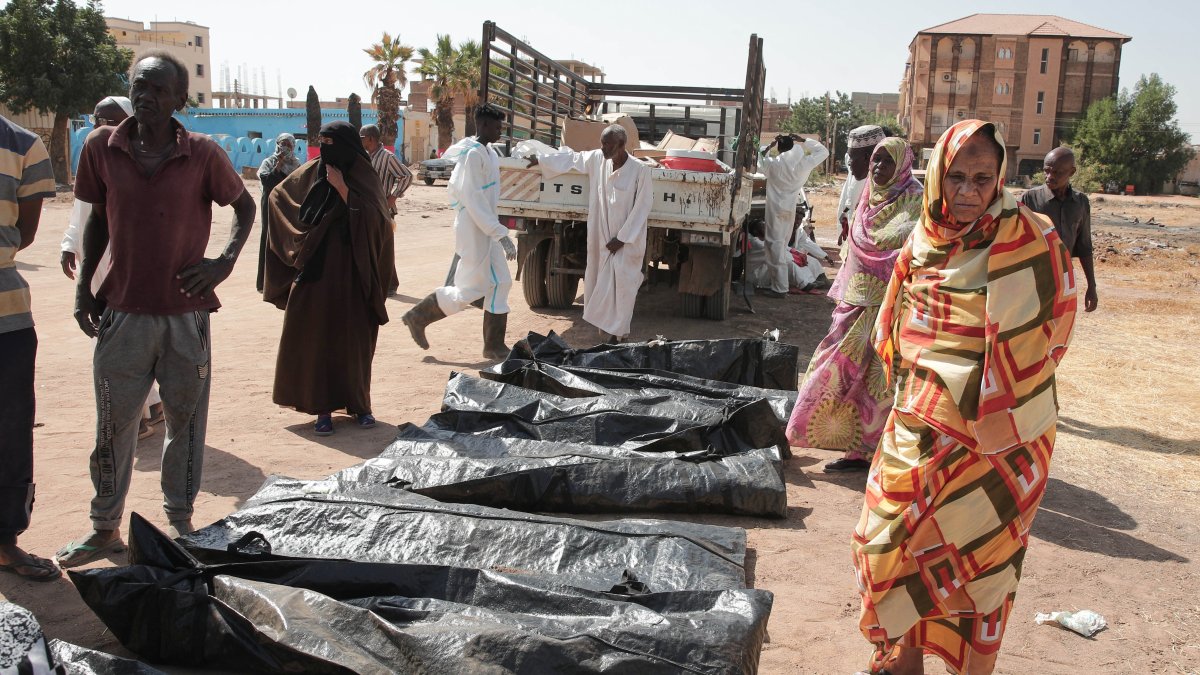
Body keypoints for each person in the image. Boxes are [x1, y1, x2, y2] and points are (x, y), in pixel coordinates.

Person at [851, 120, 1076, 675]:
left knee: (980, 572)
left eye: (982, 177)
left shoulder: (1033, 238)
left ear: (1000, 177)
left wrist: (1000, 394)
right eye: (956, 177)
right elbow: (896, 329)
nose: (970, 191)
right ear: (937, 178)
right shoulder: (922, 239)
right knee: (888, 546)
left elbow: (1056, 326)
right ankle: (903, 664)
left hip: (1001, 444)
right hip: (917, 427)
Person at [58, 52, 256, 567]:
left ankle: (181, 521)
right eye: (137, 85)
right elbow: (98, 219)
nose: (144, 95)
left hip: (185, 315)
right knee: (113, 422)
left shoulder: (205, 153)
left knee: (185, 422)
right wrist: (85, 289)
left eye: (156, 89)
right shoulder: (102, 146)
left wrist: (224, 262)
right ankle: (105, 528)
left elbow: (244, 207)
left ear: (178, 101)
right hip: (121, 312)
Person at [787, 137, 923, 473]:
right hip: (854, 304)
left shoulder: (916, 198)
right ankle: (808, 433)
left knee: (879, 381)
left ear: (903, 165)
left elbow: (913, 251)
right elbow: (856, 247)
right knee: (832, 367)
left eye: (886, 162)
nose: (877, 168)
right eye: (875, 161)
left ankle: (867, 452)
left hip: (893, 306)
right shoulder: (868, 197)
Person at [263, 121, 394, 436]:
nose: (326, 149)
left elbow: (380, 223)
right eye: (321, 142)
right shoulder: (310, 172)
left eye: (331, 142)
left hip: (356, 275)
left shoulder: (365, 177)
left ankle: (360, 405)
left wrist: (344, 191)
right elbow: (278, 198)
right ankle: (322, 410)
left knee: (355, 344)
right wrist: (299, 242)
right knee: (317, 341)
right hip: (317, 275)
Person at [60, 97, 164, 441]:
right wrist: (68, 245)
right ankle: (147, 408)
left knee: (129, 339)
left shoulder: (141, 163)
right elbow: (82, 213)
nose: (102, 126)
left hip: (129, 266)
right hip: (95, 264)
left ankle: (139, 415)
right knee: (110, 337)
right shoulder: (93, 157)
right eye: (97, 119)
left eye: (111, 120)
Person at [402, 104, 517, 360]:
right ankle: (418, 316)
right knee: (472, 288)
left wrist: (496, 232)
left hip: (485, 226)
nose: (500, 131)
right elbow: (473, 200)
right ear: (484, 125)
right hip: (474, 227)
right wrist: (500, 233)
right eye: (497, 127)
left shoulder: (487, 152)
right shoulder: (472, 156)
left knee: (501, 283)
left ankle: (494, 345)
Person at [0, 114, 60, 582]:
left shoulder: (23, 145)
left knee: (10, 430)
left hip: (7, 319)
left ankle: (5, 540)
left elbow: (25, 233)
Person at [527, 125, 653, 342]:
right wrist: (541, 160)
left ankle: (617, 333)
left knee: (623, 287)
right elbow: (572, 159)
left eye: (608, 144)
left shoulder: (640, 171)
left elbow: (643, 206)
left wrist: (622, 238)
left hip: (627, 243)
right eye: (602, 143)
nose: (603, 148)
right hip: (602, 239)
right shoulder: (598, 160)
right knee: (600, 285)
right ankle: (607, 332)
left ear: (622, 145)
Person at [1020, 146, 1098, 312]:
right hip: (1032, 281)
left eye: (1057, 173)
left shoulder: (1081, 203)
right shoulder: (1029, 199)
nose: (1049, 177)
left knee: (1058, 331)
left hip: (1064, 281)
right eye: (1047, 171)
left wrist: (1092, 286)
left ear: (1072, 172)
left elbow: (1084, 247)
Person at [758, 134, 829, 297]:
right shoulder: (803, 164)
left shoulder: (773, 165)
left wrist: (768, 147)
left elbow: (759, 159)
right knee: (781, 247)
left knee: (774, 247)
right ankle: (780, 285)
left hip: (775, 211)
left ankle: (780, 288)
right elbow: (823, 152)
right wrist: (804, 141)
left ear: (780, 149)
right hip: (790, 211)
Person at [256, 132, 300, 292]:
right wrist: (279, 166)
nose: (285, 147)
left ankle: (285, 281)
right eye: (283, 143)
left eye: (289, 144)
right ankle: (265, 282)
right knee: (268, 237)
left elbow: (298, 184)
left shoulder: (296, 164)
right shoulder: (268, 162)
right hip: (270, 205)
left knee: (287, 240)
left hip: (288, 206)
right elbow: (266, 181)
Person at [741, 218, 828, 292]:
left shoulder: (764, 238)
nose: (766, 229)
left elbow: (781, 246)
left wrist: (796, 253)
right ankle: (804, 285)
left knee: (805, 259)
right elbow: (776, 250)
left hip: (766, 267)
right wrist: (795, 257)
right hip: (758, 276)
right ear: (757, 231)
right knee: (788, 263)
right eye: (763, 228)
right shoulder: (756, 243)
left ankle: (812, 280)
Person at [838, 125, 886, 246]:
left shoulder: (899, 190)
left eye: (852, 157)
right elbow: (850, 204)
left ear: (866, 157)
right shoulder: (861, 177)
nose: (848, 163)